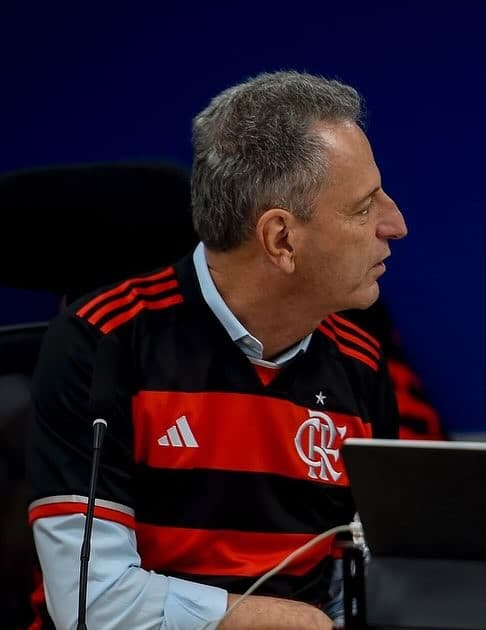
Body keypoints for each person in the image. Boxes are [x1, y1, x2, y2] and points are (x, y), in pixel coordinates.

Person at [26, 71, 407, 630]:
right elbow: (93, 603)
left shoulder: (360, 363)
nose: (395, 224)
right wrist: (288, 622)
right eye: (363, 207)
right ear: (281, 239)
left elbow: (356, 586)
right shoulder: (102, 343)